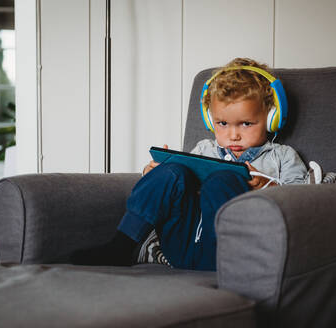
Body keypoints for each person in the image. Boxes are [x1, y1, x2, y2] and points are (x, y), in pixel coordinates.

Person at [70, 57, 307, 270]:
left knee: (223, 179)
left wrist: (268, 188)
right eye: (222, 123)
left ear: (271, 117)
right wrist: (154, 173)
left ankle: (224, 261)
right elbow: (179, 194)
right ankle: (121, 246)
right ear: (209, 119)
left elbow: (303, 204)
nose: (233, 135)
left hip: (231, 250)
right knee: (173, 172)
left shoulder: (282, 156)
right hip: (182, 245)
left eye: (246, 124)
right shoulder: (204, 149)